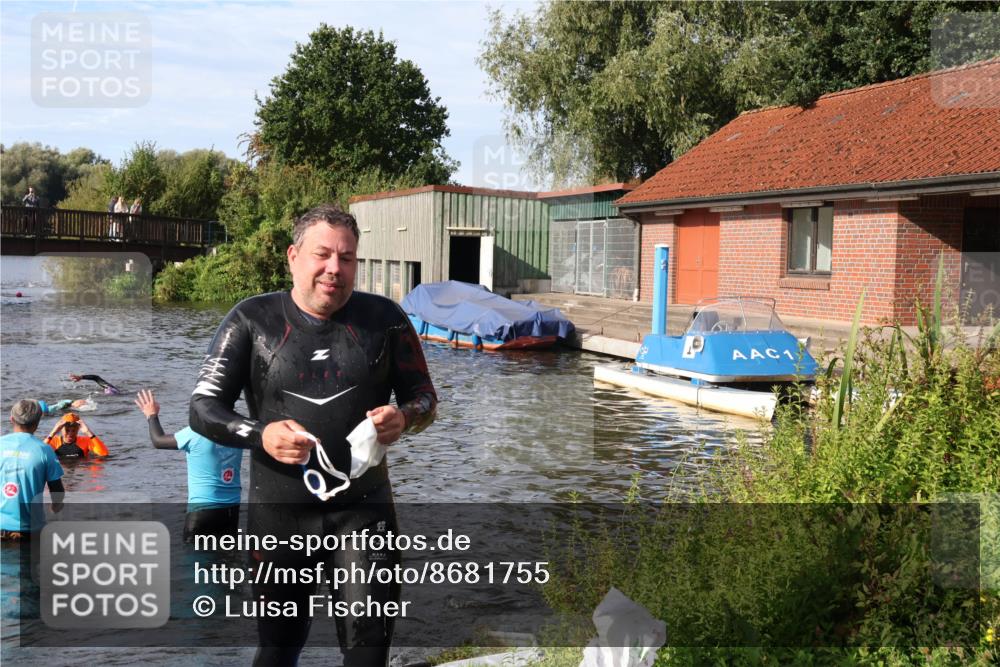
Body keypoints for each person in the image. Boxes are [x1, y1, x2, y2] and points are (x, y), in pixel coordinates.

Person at [189, 203, 437, 667]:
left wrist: (405, 417)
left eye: (346, 258)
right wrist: (260, 434)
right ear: (293, 256)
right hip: (279, 519)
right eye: (323, 255)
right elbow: (202, 408)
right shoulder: (251, 320)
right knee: (277, 652)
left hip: (364, 517)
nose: (334, 269)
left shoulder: (385, 320)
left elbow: (425, 397)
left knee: (368, 655)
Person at [135, 389, 243, 542]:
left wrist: (151, 415)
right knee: (227, 560)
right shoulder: (240, 431)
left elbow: (158, 440)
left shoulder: (196, 433)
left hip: (202, 511)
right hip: (232, 510)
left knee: (195, 562)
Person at [1, 400, 64, 540]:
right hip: (29, 530)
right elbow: (57, 490)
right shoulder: (44, 450)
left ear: (11, 419)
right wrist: (56, 506)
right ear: (37, 423)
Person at [43, 413, 108, 458]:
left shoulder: (86, 441)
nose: (70, 434)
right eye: (67, 430)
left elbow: (104, 454)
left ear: (78, 430)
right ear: (61, 429)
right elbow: (39, 453)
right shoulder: (53, 441)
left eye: (73, 430)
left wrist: (88, 432)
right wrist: (53, 432)